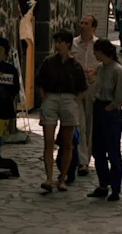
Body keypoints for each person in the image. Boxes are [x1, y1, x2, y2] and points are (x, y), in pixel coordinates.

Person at [35, 30, 88, 192]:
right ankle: (49, 178)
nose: (57, 45)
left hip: (68, 100)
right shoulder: (49, 62)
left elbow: (82, 88)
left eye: (60, 42)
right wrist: (45, 100)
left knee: (67, 143)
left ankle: (63, 178)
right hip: (51, 98)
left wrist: (74, 102)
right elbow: (40, 83)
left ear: (68, 44)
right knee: (48, 141)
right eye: (56, 42)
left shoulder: (75, 66)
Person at [89, 38, 122, 202]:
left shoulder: (116, 70)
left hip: (110, 112)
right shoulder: (100, 68)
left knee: (112, 150)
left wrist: (110, 107)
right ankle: (103, 184)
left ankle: (116, 188)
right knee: (97, 150)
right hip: (98, 108)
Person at [72, 15, 100, 177]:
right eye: (81, 23)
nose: (82, 26)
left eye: (86, 24)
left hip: (92, 89)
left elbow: (106, 63)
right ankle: (82, 162)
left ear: (93, 28)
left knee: (90, 125)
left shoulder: (98, 45)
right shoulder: (74, 44)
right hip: (76, 90)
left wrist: (95, 71)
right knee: (79, 124)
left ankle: (86, 158)